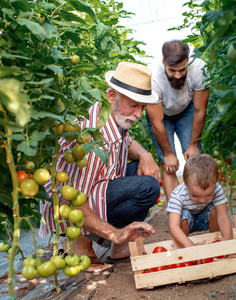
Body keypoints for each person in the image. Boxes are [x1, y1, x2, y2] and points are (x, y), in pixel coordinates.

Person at [39, 62, 161, 273]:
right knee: (147, 187)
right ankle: (77, 245)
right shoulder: (92, 138)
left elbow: (128, 143)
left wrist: (144, 154)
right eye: (133, 105)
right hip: (69, 208)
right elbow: (72, 198)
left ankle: (120, 248)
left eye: (142, 107)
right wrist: (116, 233)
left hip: (95, 189)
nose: (139, 114)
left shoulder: (111, 114)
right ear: (112, 96)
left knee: (141, 171)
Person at [146, 40, 210, 201]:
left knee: (194, 158)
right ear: (163, 63)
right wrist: (168, 154)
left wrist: (193, 144)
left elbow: (200, 109)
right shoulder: (153, 79)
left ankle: (198, 207)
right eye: (172, 70)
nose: (178, 75)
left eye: (182, 69)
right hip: (161, 116)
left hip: (187, 110)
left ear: (188, 60)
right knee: (169, 165)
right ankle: (176, 212)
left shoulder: (200, 69)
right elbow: (157, 122)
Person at [166, 154, 232, 248]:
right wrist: (189, 244)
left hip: (204, 218)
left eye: (209, 195)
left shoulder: (217, 189)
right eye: (195, 195)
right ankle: (182, 244)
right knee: (183, 216)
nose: (202, 200)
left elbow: (223, 216)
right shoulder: (178, 195)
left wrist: (228, 238)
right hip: (186, 222)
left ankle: (217, 240)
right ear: (184, 182)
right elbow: (173, 226)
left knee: (214, 210)